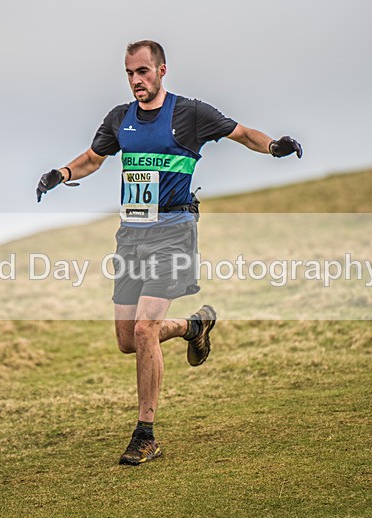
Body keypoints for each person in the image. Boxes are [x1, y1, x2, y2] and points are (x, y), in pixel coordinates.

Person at [36, 40, 302, 465]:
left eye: (143, 71)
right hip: (131, 237)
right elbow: (92, 158)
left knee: (145, 329)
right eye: (129, 73)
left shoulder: (189, 114)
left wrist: (273, 146)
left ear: (161, 70)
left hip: (173, 233)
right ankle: (194, 326)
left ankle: (145, 435)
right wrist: (61, 173)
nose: (136, 80)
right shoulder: (119, 119)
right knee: (128, 340)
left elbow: (242, 133)